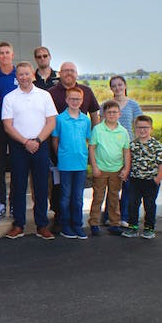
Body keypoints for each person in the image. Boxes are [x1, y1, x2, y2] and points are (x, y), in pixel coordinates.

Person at [0, 62, 57, 240]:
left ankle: (42, 225)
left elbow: (51, 122)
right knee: (18, 186)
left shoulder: (44, 95)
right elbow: (7, 126)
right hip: (19, 146)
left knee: (41, 186)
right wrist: (25, 141)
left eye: (26, 74)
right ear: (16, 77)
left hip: (40, 145)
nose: (23, 77)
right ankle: (19, 225)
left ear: (32, 75)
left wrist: (37, 140)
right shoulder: (10, 98)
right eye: (20, 74)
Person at [51, 88, 93, 240]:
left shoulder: (85, 120)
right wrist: (61, 156)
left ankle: (77, 225)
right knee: (65, 196)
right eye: (72, 99)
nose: (75, 102)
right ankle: (65, 225)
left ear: (82, 101)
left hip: (80, 164)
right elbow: (55, 141)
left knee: (78, 197)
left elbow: (87, 139)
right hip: (65, 164)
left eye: (78, 99)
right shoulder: (60, 119)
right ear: (67, 100)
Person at [121, 115, 162, 239]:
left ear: (151, 128)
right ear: (135, 128)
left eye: (145, 127)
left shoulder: (157, 145)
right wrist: (126, 172)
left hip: (150, 181)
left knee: (150, 205)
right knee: (132, 204)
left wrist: (157, 179)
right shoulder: (133, 145)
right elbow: (128, 161)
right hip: (135, 180)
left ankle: (149, 228)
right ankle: (133, 227)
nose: (142, 130)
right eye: (139, 127)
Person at [88, 101, 129, 236]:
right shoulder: (98, 129)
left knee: (114, 197)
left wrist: (126, 168)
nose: (112, 115)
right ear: (104, 114)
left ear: (119, 114)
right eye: (109, 112)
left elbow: (126, 151)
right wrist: (94, 167)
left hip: (116, 170)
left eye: (114, 112)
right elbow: (92, 148)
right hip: (101, 169)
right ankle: (94, 223)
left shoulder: (123, 132)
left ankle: (114, 223)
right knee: (98, 197)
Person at [0, 42, 19, 220]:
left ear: (12, 55)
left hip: (19, 128)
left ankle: (15, 203)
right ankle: (1, 203)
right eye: (1, 53)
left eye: (7, 52)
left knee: (17, 166)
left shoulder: (22, 76)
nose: (5, 55)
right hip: (0, 127)